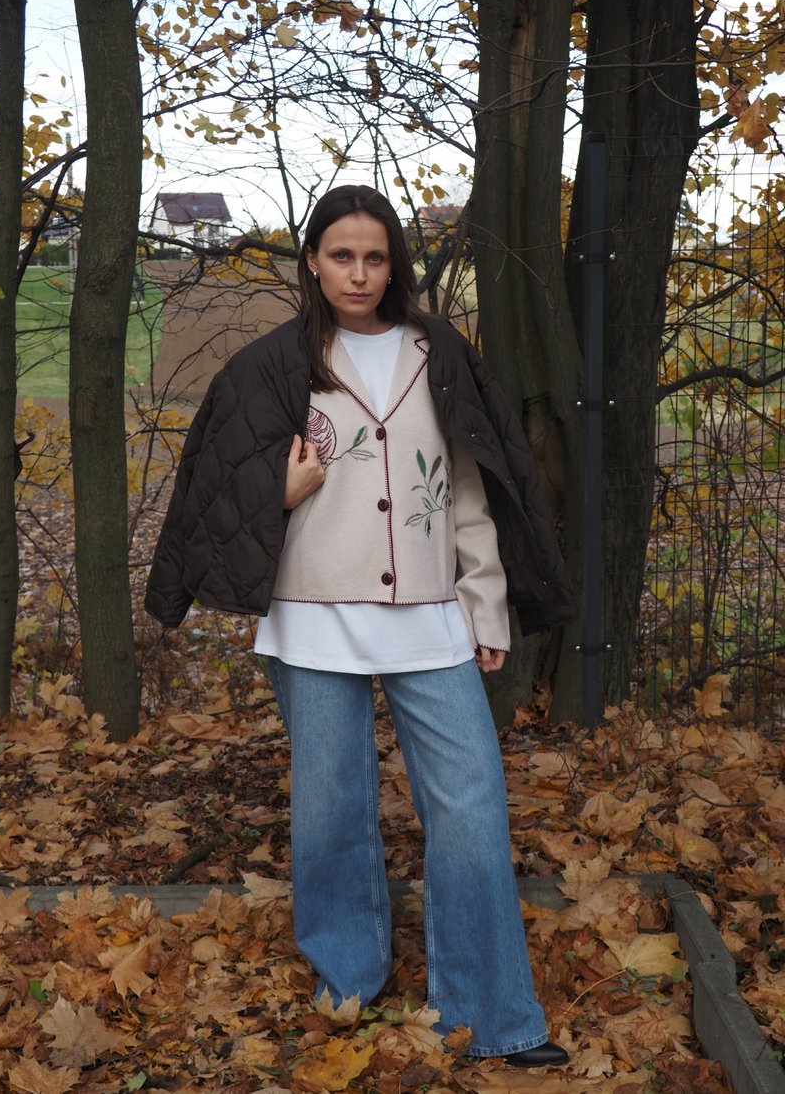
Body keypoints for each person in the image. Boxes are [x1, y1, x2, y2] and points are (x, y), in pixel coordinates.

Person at [145, 184, 576, 1068]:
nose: (358, 273)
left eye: (375, 257)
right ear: (312, 260)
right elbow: (217, 485)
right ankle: (346, 982)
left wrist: (485, 599)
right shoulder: (273, 364)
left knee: (471, 806)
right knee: (332, 810)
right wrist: (279, 491)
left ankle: (492, 1013)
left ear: (394, 265)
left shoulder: (437, 351)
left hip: (431, 614)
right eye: (341, 255)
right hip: (312, 619)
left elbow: (470, 484)